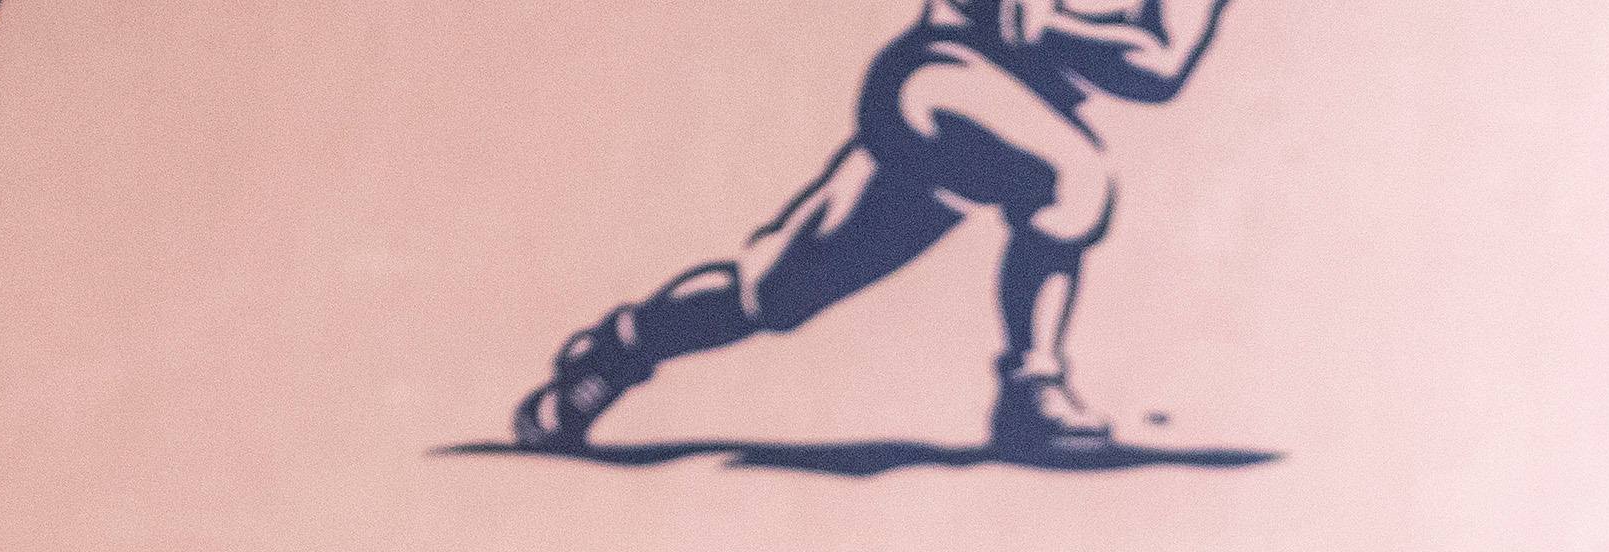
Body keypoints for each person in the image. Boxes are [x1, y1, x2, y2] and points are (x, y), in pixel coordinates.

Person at [509, 0, 1242, 465]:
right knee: (1071, 176)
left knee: (771, 294)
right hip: (935, 81)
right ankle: (1032, 385)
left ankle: (622, 346)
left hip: (1009, 130)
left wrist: (1046, 27)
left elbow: (1162, 67)